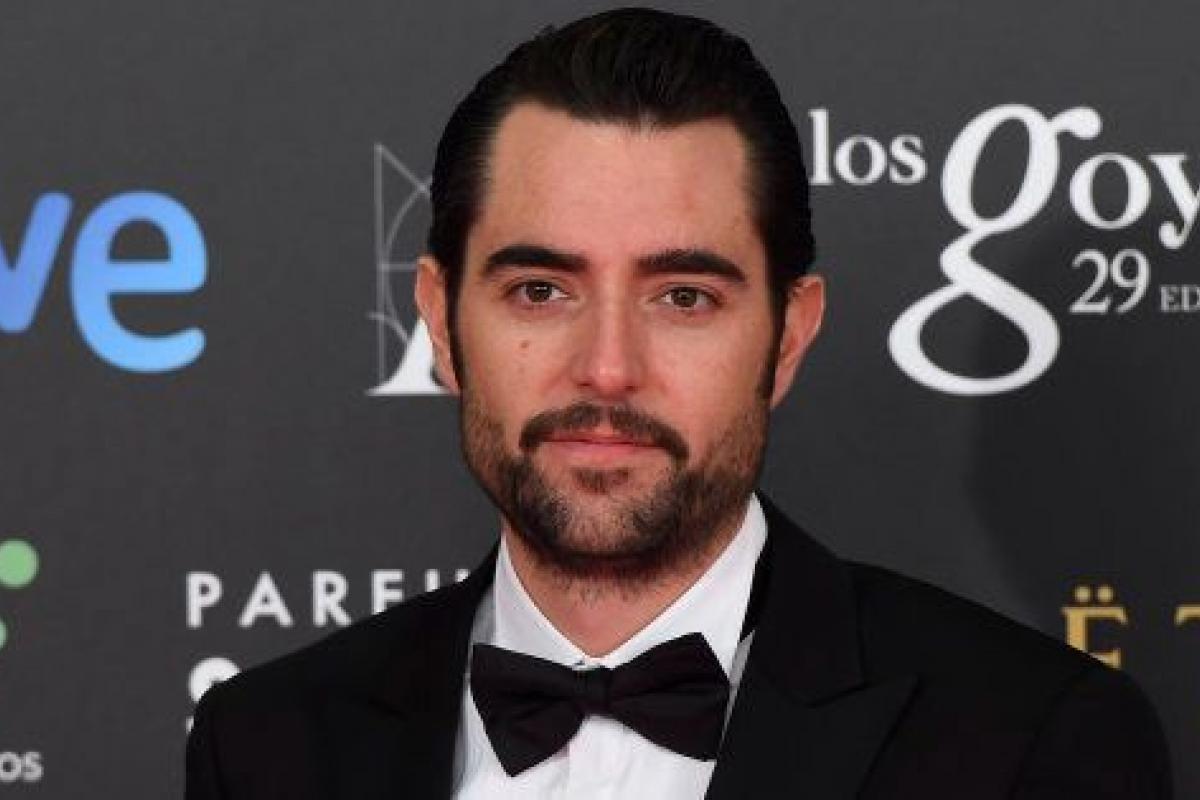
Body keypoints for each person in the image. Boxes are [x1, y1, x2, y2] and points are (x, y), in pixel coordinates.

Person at [185, 8, 1172, 798]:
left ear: (788, 335)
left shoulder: (1032, 741)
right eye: (541, 289)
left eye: (684, 297)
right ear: (441, 321)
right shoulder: (268, 746)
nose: (607, 369)